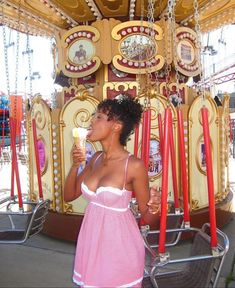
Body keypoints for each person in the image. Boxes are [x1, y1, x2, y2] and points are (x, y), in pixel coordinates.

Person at [64, 94, 161, 287]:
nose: (91, 120)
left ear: (116, 126)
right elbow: (69, 196)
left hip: (120, 248)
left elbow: (148, 218)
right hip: (92, 243)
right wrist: (75, 166)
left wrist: (155, 206)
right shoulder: (96, 158)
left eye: (98, 117)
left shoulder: (133, 165)